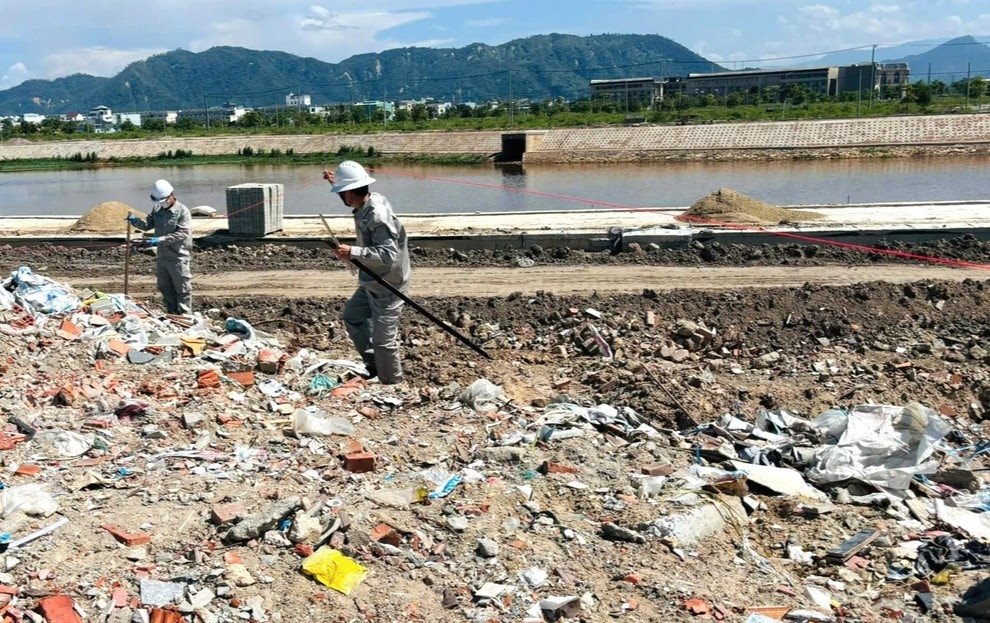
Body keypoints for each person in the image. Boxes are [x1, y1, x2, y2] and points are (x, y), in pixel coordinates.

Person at [323, 160, 410, 384]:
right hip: (372, 279)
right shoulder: (367, 200)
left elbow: (388, 254)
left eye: (342, 192)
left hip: (388, 285)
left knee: (384, 342)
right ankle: (374, 365)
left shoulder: (376, 216)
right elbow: (352, 194)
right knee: (353, 317)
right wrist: (335, 182)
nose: (341, 196)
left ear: (350, 192)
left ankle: (392, 384)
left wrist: (353, 251)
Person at [126, 179, 193, 314]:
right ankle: (172, 314)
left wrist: (160, 240)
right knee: (164, 287)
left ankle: (185, 316)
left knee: (182, 289)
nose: (161, 204)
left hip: (178, 257)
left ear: (171, 196)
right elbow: (148, 224)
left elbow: (182, 233)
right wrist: (136, 221)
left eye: (163, 201)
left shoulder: (182, 211)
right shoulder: (157, 208)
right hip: (162, 256)